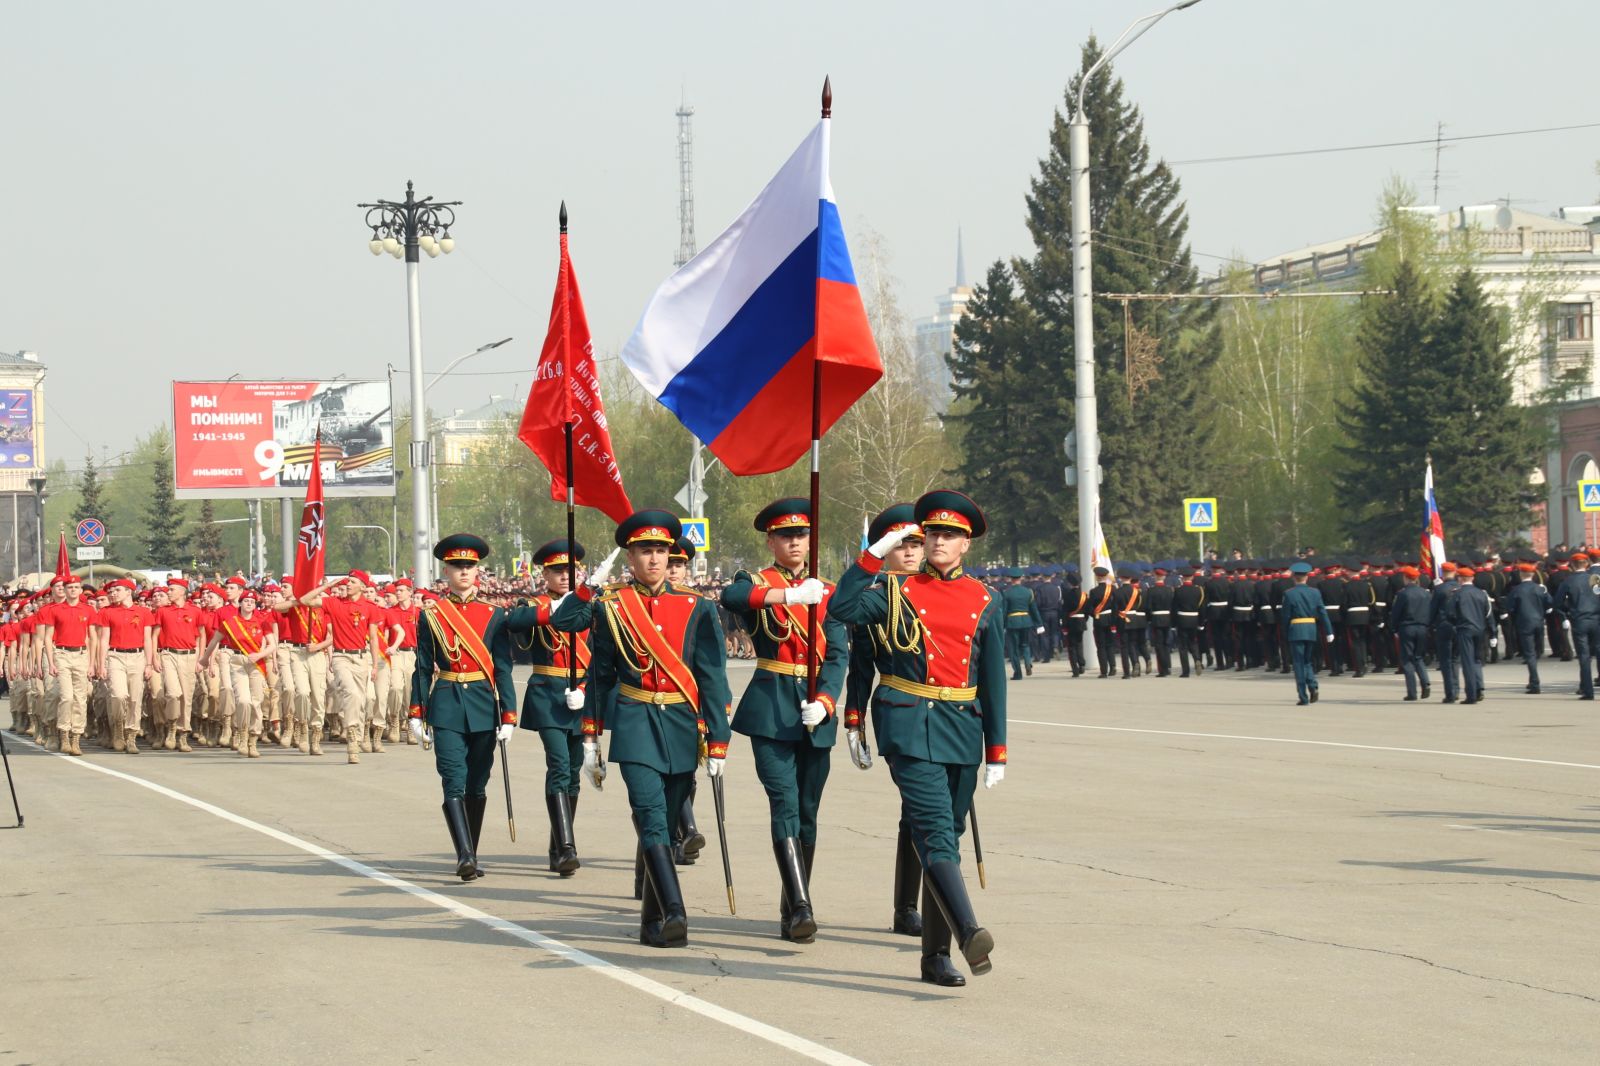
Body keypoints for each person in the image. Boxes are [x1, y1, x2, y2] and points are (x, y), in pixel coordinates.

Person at [829, 489, 1004, 988]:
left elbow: (993, 681)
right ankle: (968, 929)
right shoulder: (891, 592)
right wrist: (874, 553)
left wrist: (997, 750)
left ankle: (934, 958)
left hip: (963, 728)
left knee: (945, 835)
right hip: (907, 723)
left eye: (950, 535)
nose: (939, 541)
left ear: (965, 545)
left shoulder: (986, 599)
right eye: (933, 533)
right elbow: (840, 609)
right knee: (932, 829)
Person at [555, 510, 733, 948]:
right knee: (650, 816)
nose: (654, 559)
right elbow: (577, 642)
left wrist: (718, 738)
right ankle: (676, 911)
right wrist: (591, 735)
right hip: (634, 721)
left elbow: (711, 676)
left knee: (671, 819)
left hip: (680, 723)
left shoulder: (696, 606)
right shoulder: (610, 603)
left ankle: (653, 921)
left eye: (660, 550)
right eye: (644, 551)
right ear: (629, 557)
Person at [721, 498, 846, 944]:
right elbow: (730, 598)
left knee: (809, 813)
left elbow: (838, 654)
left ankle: (793, 900)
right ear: (771, 541)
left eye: (802, 535)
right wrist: (788, 596)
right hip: (772, 706)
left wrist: (829, 700)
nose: (795, 542)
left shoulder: (829, 591)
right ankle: (802, 906)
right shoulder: (757, 583)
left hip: (816, 710)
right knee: (784, 803)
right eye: (786, 536)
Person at [407, 534, 518, 881]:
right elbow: (424, 667)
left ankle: (471, 846)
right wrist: (417, 710)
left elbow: (503, 667)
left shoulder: (495, 615)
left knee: (477, 783)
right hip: (448, 704)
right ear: (447, 570)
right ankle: (464, 855)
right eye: (458, 566)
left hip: (485, 706)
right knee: (453, 778)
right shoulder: (433, 616)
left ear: (478, 570)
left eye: (470, 566)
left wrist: (510, 714)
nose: (464, 572)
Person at [842, 503, 928, 936]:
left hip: (948, 717)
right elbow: (861, 666)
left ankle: (917, 903)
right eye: (901, 545)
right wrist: (854, 721)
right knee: (918, 809)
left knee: (934, 815)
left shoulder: (949, 592)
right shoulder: (875, 600)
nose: (911, 553)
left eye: (916, 543)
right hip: (899, 710)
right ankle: (908, 908)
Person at [505, 539, 603, 877]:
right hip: (548, 693)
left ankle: (557, 844)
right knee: (560, 765)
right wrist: (560, 607)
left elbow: (603, 655)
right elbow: (516, 622)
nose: (566, 576)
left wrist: (586, 687)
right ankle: (567, 847)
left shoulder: (592, 607)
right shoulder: (533, 604)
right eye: (558, 570)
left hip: (582, 693)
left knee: (575, 771)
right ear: (544, 573)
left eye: (571, 570)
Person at [201, 588, 277, 757]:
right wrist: (205, 659)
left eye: (252, 602)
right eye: (246, 601)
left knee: (257, 702)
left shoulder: (262, 621)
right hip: (237, 663)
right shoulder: (231, 622)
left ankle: (252, 739)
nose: (249, 604)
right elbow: (215, 640)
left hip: (257, 664)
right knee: (243, 700)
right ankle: (242, 734)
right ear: (240, 603)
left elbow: (272, 645)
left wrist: (259, 655)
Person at [1281, 561, 1333, 706]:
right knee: (1307, 661)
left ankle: (1303, 696)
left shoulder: (1289, 594)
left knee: (1298, 663)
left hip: (1296, 629)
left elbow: (1285, 616)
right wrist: (1329, 631)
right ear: (1307, 577)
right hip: (1311, 628)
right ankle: (1313, 685)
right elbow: (1323, 613)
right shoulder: (1315, 592)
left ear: (1293, 577)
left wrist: (1284, 633)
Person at [1553, 553, 1600, 700]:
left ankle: (1588, 690)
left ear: (1572, 565)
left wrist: (1566, 612)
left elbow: (1558, 604)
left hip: (1579, 620)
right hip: (1596, 619)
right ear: (1586, 564)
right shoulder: (1594, 579)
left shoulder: (1569, 581)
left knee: (1584, 657)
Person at [1388, 566, 1432, 701]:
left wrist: (1394, 628)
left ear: (1405, 578)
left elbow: (1396, 614)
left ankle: (1412, 692)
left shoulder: (1402, 594)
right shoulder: (1425, 593)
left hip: (1407, 628)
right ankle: (1425, 682)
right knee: (1418, 657)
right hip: (1422, 628)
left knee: (1407, 660)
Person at [1505, 563, 1550, 694]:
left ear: (1520, 574)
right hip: (1539, 622)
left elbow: (1510, 608)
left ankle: (1535, 683)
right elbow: (1549, 603)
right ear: (1533, 575)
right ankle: (1532, 680)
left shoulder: (1516, 590)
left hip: (1524, 624)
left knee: (1529, 654)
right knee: (1536, 652)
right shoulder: (1540, 589)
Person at [1450, 567, 1491, 704]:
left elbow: (1450, 613)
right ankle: (1479, 687)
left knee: (1467, 662)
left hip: (1464, 629)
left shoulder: (1457, 594)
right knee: (1477, 660)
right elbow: (1488, 612)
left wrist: (1455, 624)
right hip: (1480, 629)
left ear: (1460, 579)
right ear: (1472, 579)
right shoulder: (1481, 593)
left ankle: (1471, 694)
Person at [999, 568, 1044, 680]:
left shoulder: (1007, 593)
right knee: (1025, 645)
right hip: (1026, 621)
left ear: (1011, 579)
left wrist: (1002, 625)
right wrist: (1039, 624)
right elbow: (1034, 609)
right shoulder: (1028, 592)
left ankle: (1018, 673)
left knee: (1013, 649)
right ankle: (1028, 663)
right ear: (1021, 578)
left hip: (1012, 622)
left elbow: (1004, 611)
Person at [1429, 563, 1463, 704]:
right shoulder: (1461, 588)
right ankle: (1456, 690)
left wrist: (1430, 626)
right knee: (1455, 660)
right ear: (1455, 572)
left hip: (1443, 626)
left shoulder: (1439, 589)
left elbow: (1433, 610)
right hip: (1459, 626)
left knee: (1445, 661)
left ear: (1442, 573)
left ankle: (1450, 693)